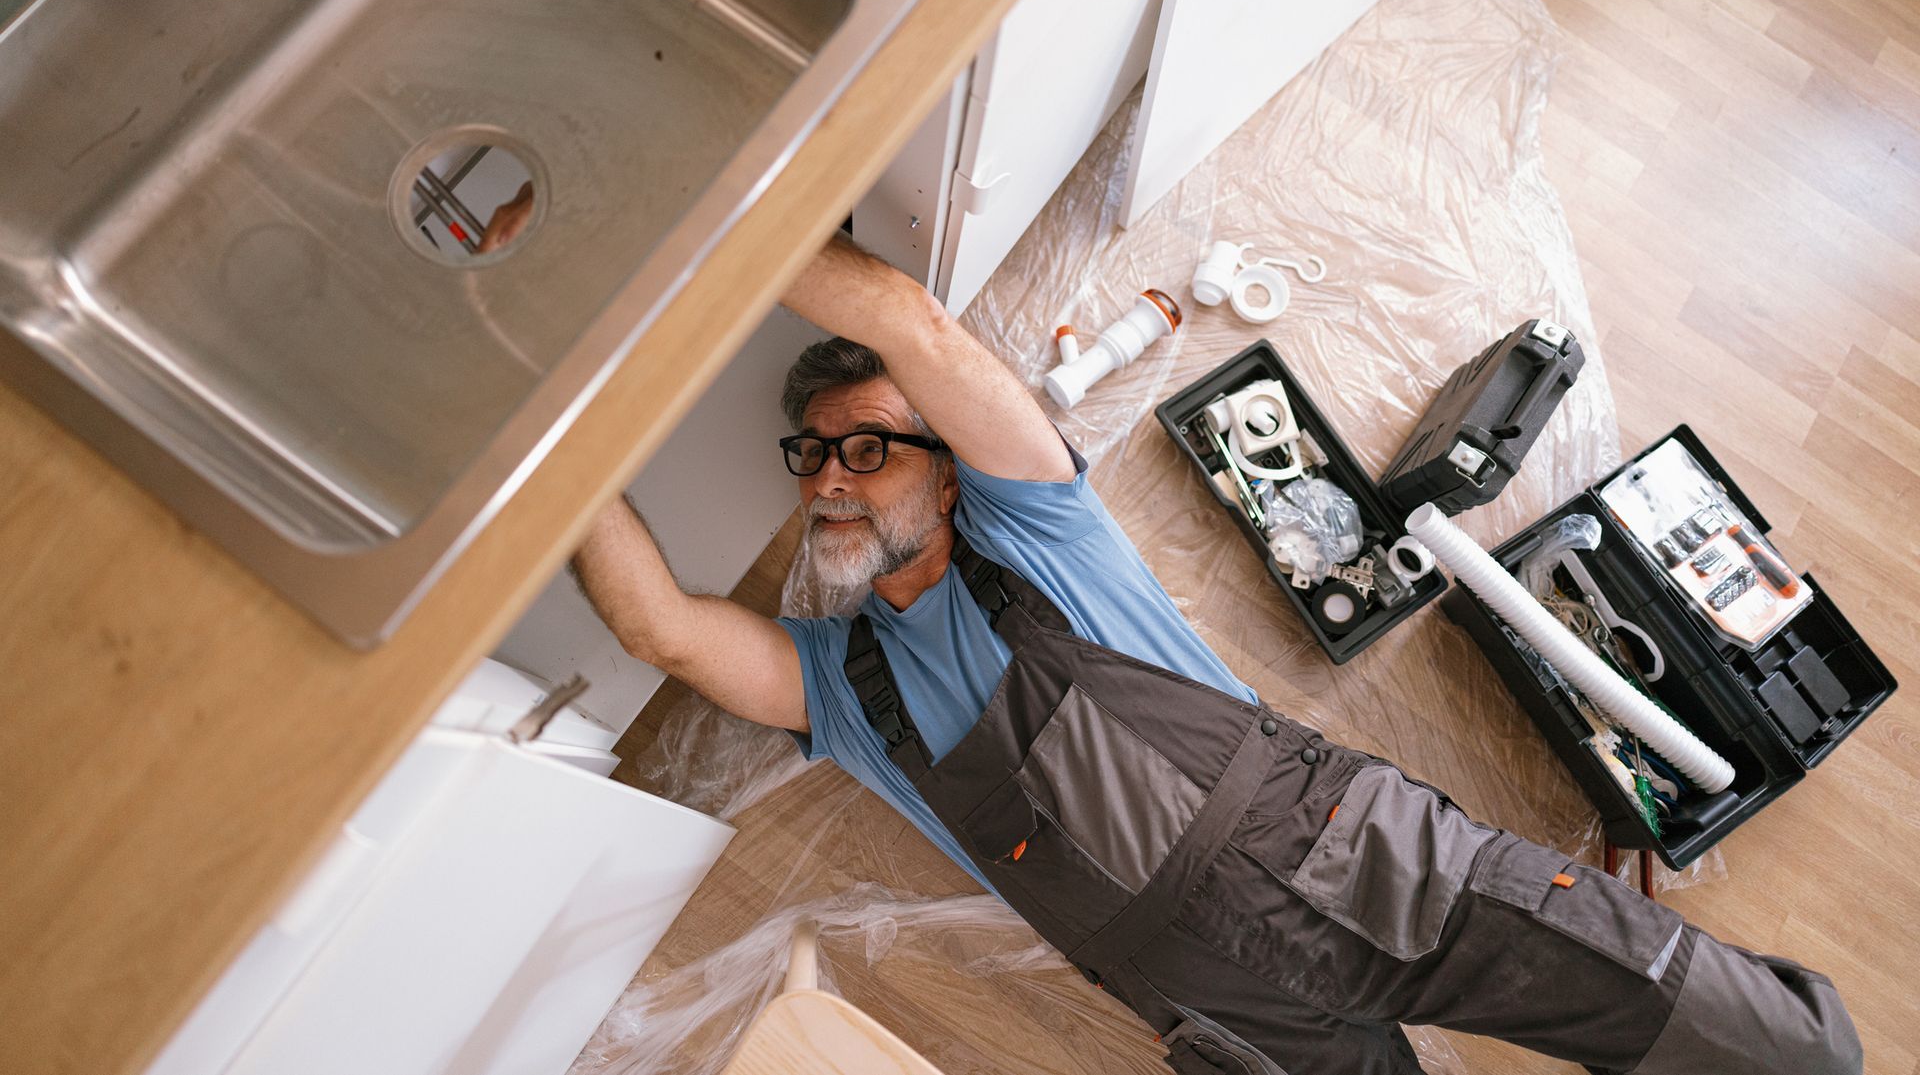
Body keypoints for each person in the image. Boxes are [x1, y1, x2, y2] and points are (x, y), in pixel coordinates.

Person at [572, 234, 1862, 1075]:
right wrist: (551, 417)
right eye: (812, 458)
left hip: (1341, 856)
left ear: (950, 463)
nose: (833, 484)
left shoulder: (1033, 519)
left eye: (868, 447)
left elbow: (909, 323)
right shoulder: (841, 690)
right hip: (1208, 1002)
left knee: (1720, 1029)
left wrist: (686, 214)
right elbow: (658, 628)